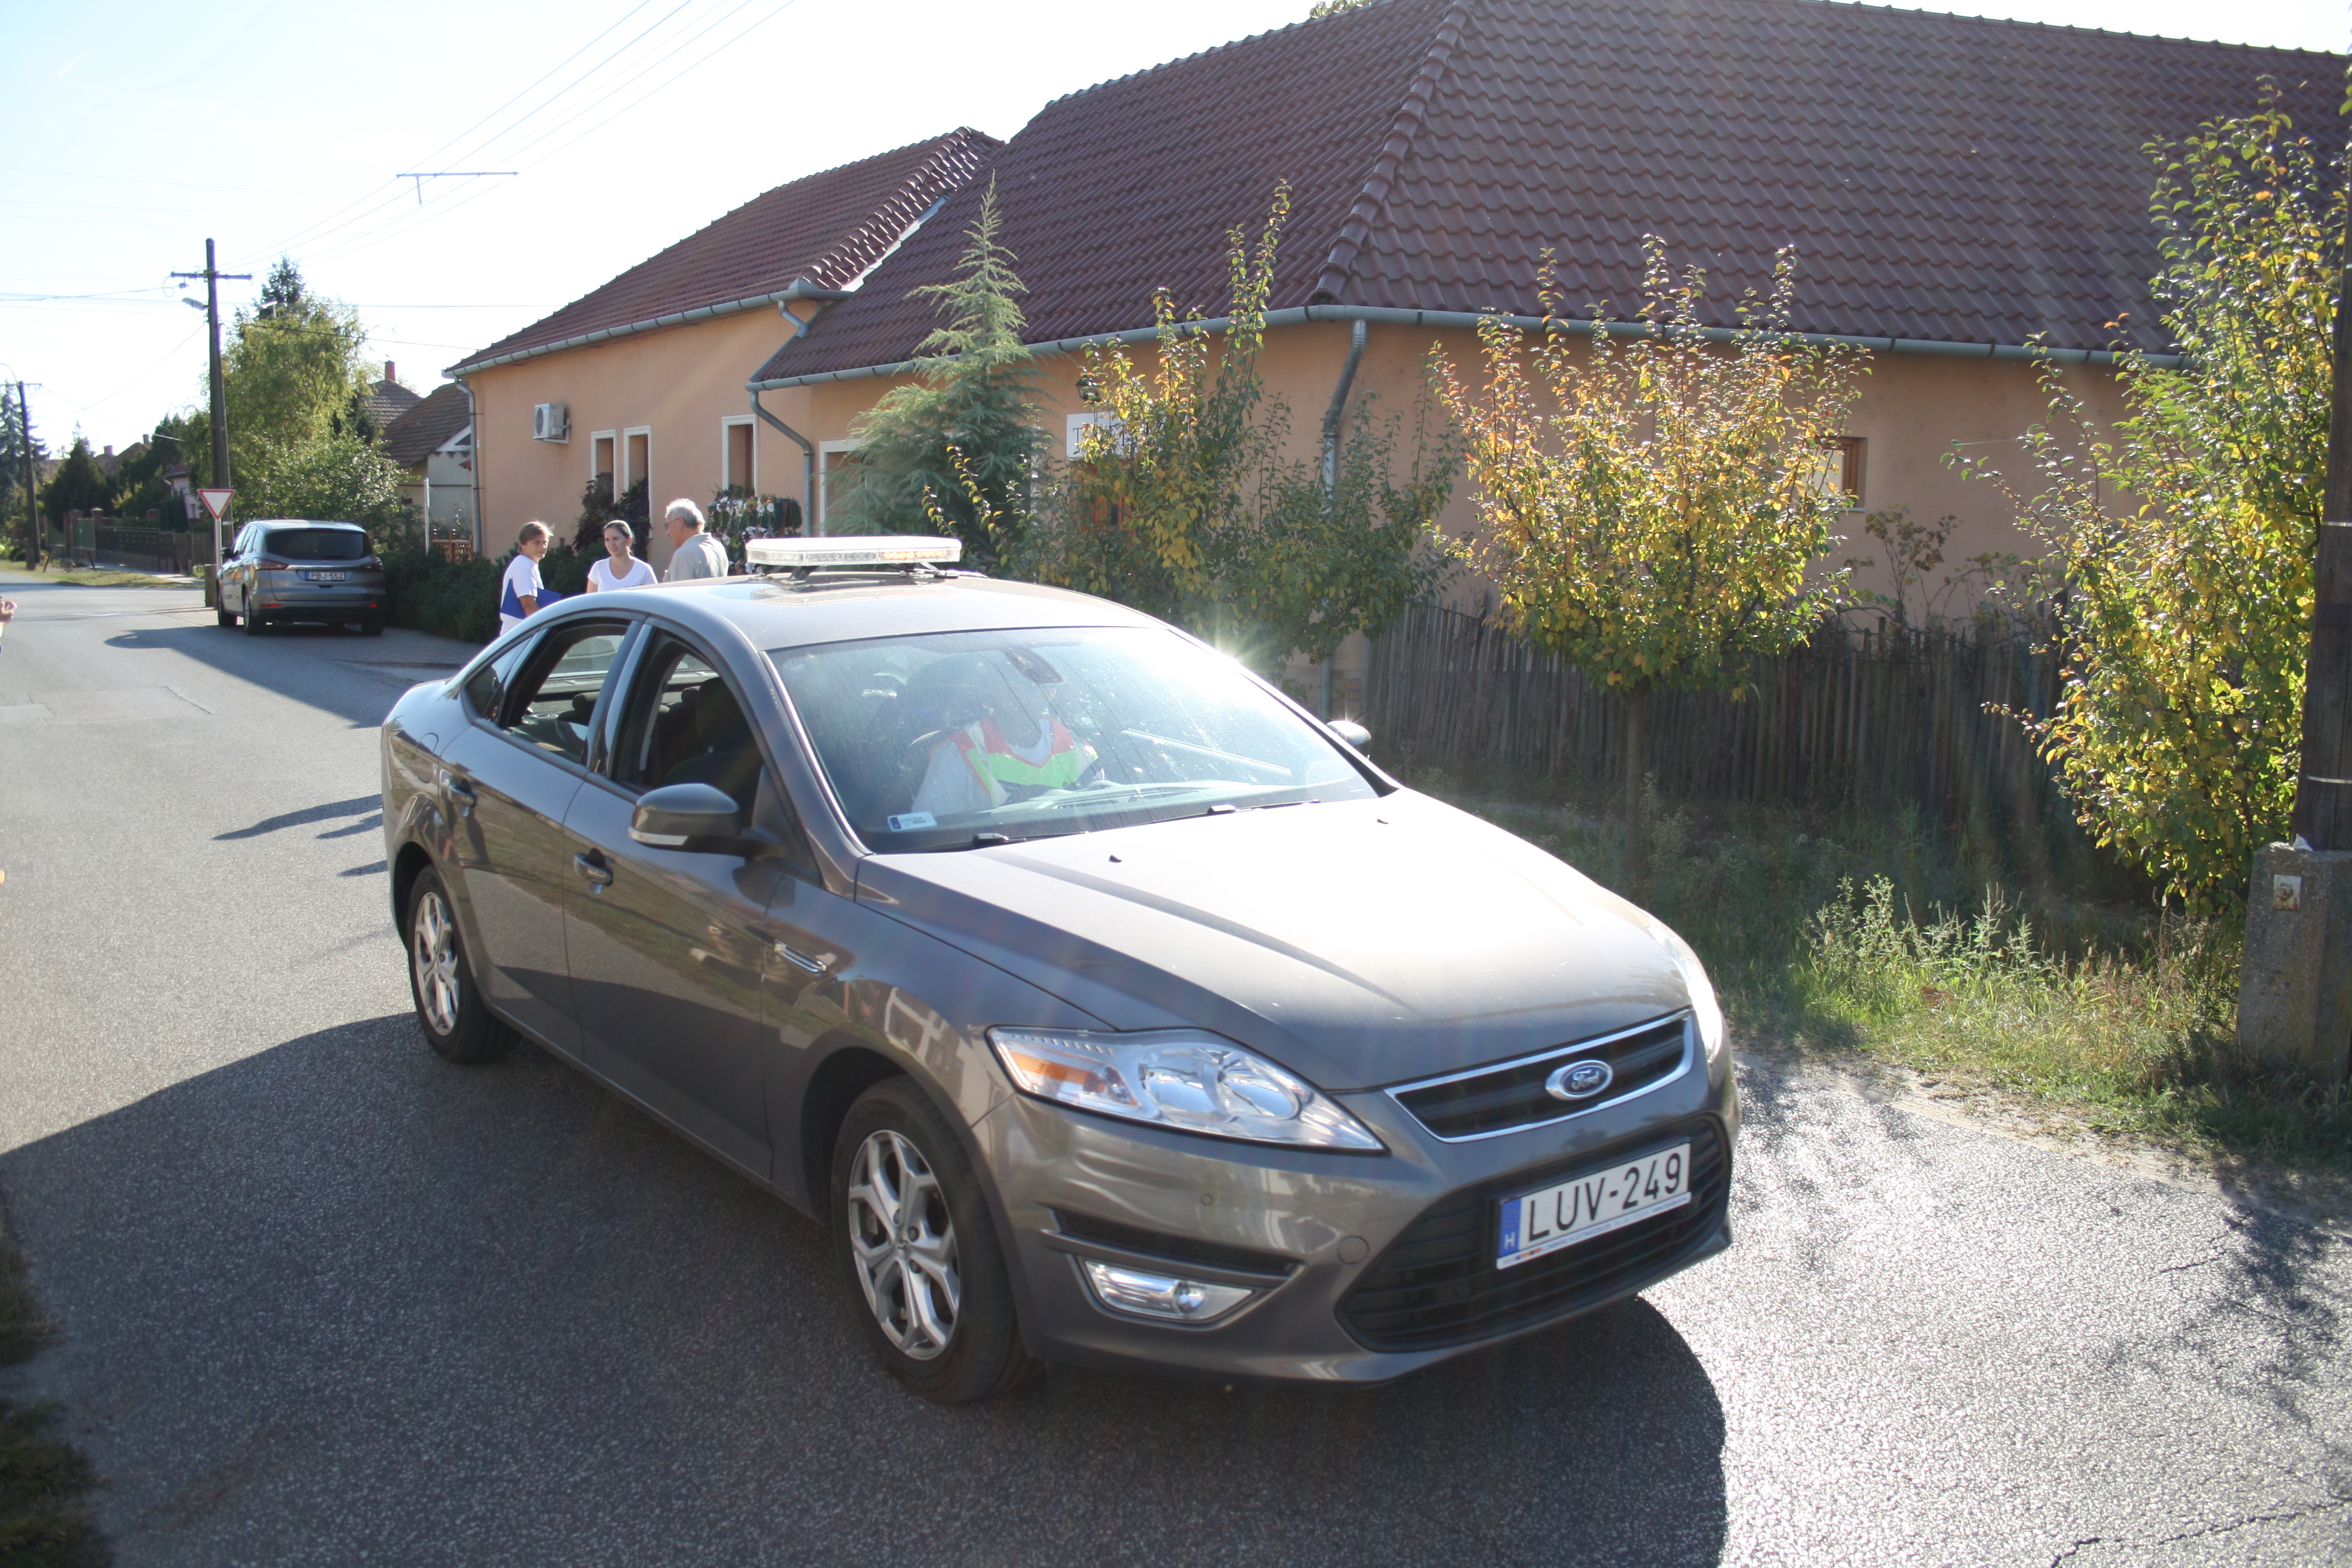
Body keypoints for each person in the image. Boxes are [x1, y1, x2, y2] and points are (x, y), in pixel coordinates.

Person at [908, 655, 1097, 821]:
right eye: (1012, 686)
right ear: (992, 690)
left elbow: (1103, 805)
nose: (1021, 696)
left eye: (1033, 687)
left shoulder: (1076, 746)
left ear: (1051, 692)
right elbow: (929, 832)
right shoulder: (959, 752)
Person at [498, 522, 556, 634]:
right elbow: (529, 605)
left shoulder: (528, 564)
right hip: (520, 634)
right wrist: (544, 632)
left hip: (520, 632)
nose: (543, 546)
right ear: (523, 544)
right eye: (536, 542)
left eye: (545, 542)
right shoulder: (524, 565)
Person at [662, 499, 729, 582]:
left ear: (680, 522)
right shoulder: (718, 547)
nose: (667, 533)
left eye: (667, 526)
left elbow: (679, 590)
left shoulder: (684, 554)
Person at [584, 521, 655, 592]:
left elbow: (653, 597)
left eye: (616, 539)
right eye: (607, 540)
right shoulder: (599, 568)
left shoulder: (644, 569)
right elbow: (590, 598)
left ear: (629, 540)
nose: (611, 544)